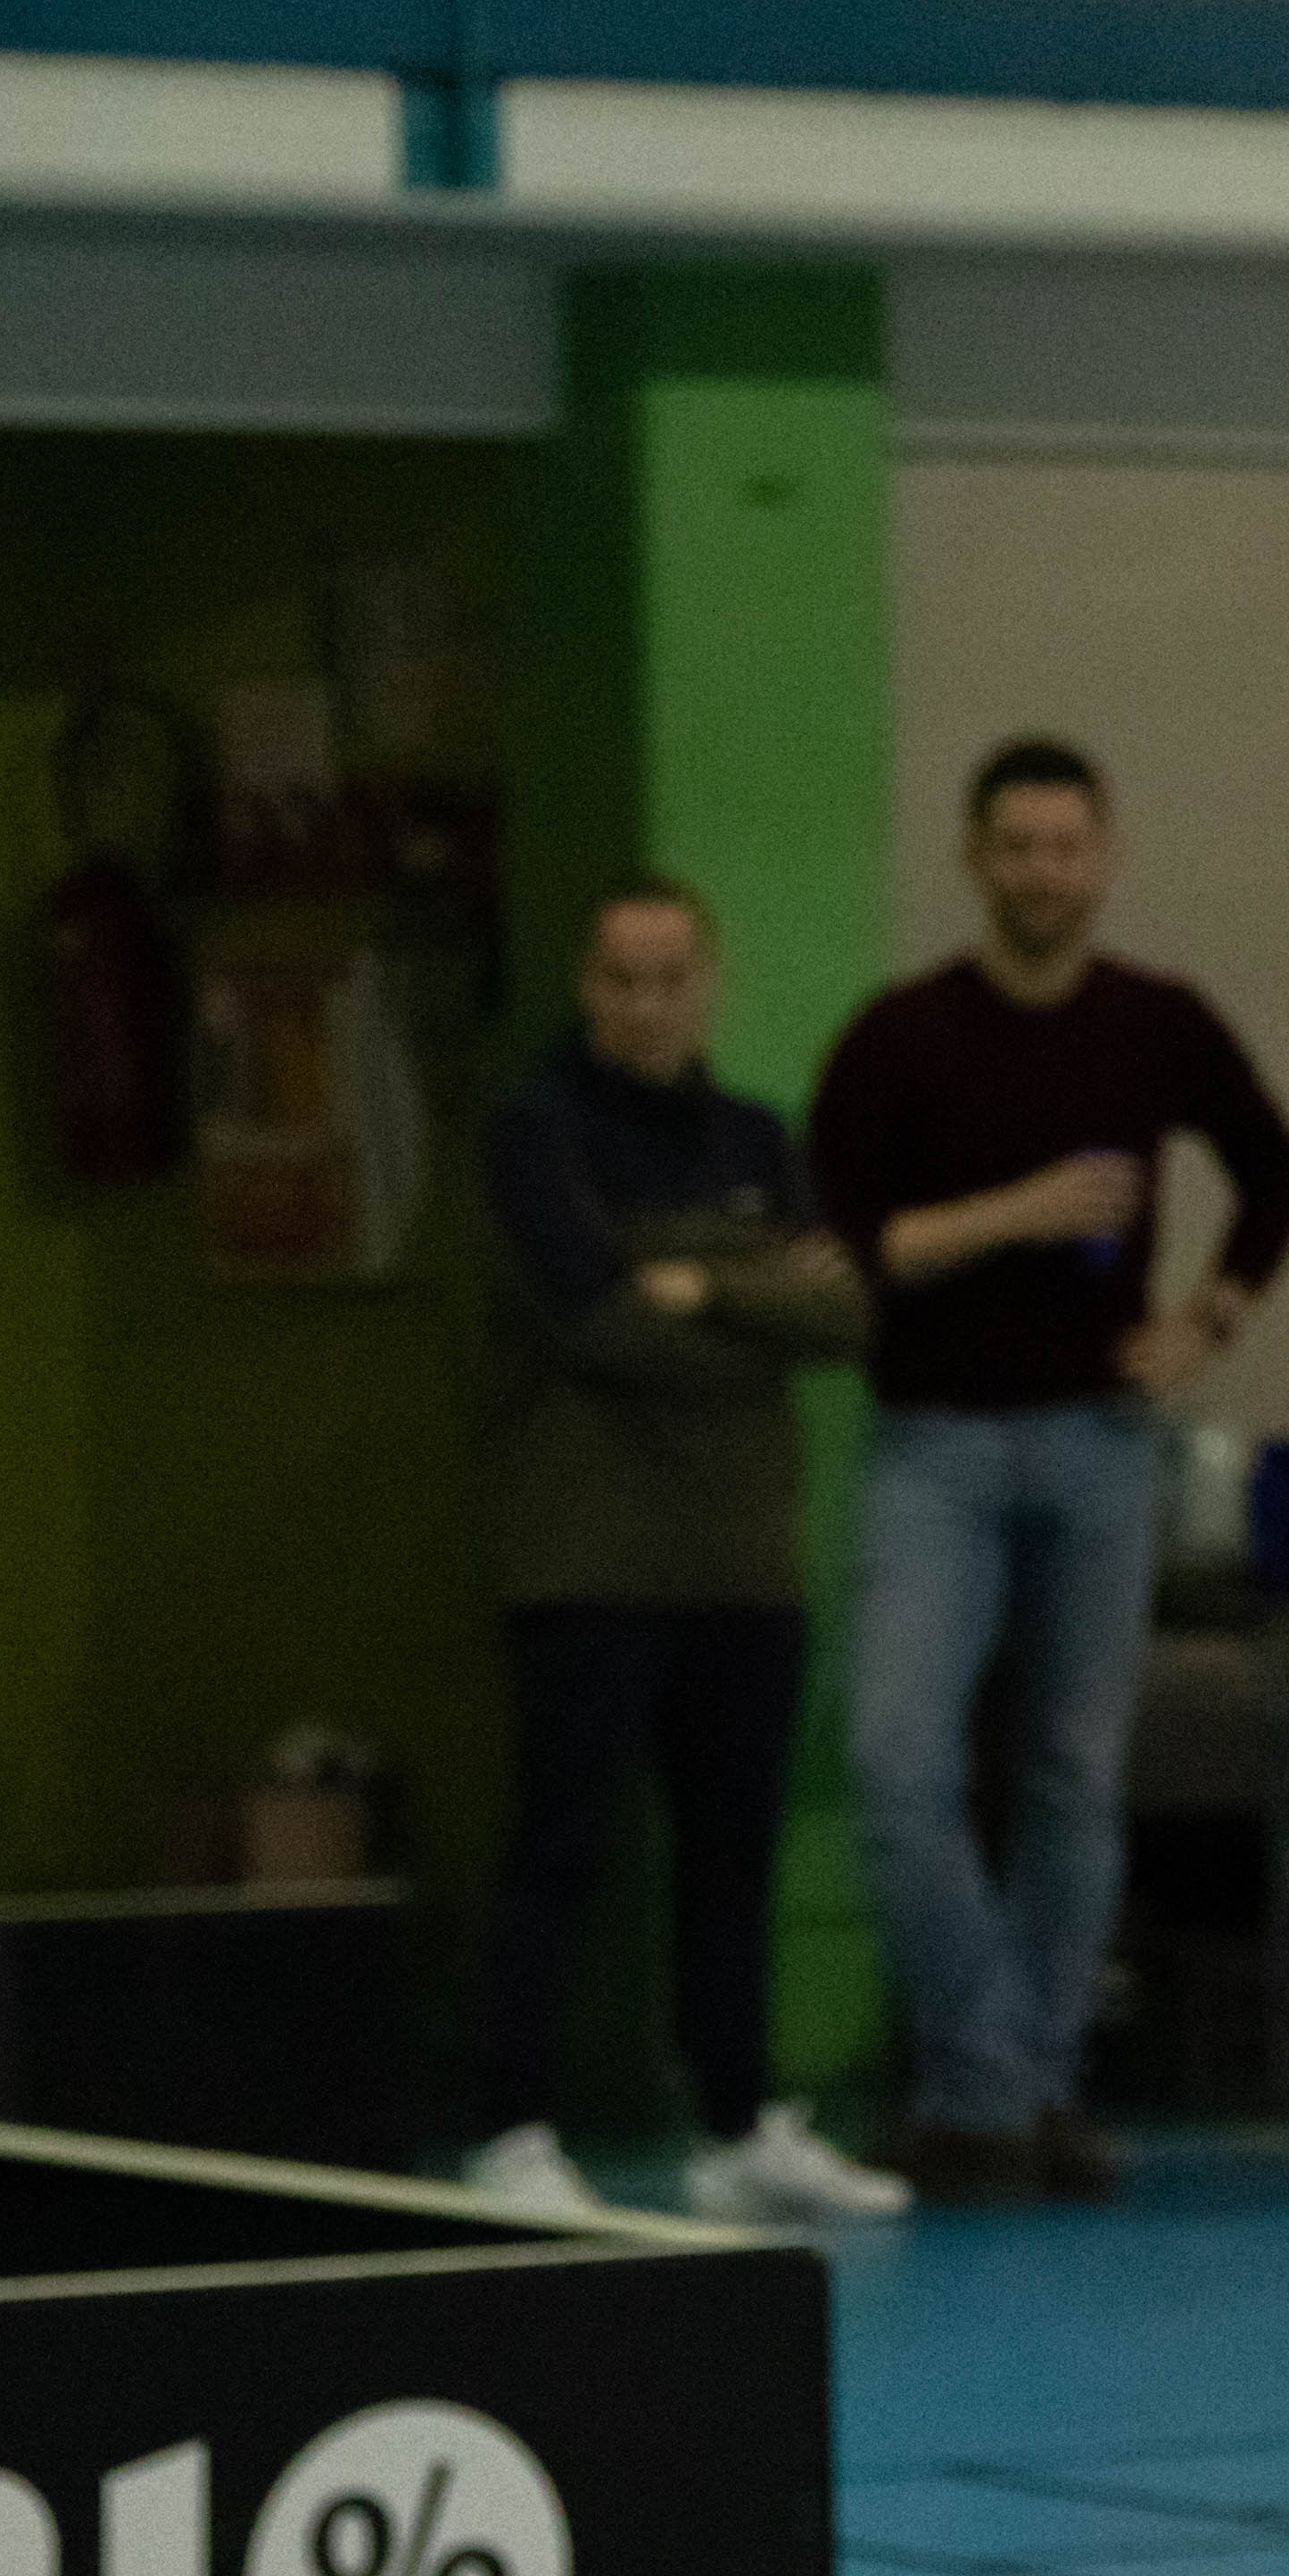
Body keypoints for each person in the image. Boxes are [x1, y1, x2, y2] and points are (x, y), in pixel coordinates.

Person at [810, 739, 1289, 2200]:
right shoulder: (901, 1038)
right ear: (975, 858)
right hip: (935, 1444)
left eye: (1064, 846)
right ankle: (995, 2078)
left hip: (1100, 1439)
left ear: (1103, 858)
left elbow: (1276, 1172)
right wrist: (1019, 1212)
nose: (1041, 871)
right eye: (1016, 846)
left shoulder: (1156, 1025)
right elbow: (849, 1246)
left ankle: (1018, 2094)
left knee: (1074, 1776)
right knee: (897, 1760)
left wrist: (1208, 1318)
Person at [466, 878, 907, 2225]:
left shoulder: (758, 1138)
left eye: (670, 978)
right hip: (587, 1560)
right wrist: (757, 1308)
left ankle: (738, 2125)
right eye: (621, 979)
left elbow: (846, 1320)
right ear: (584, 985)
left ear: (707, 983)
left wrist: (703, 1283)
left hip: (743, 1566)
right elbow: (595, 1319)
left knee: (735, 1855)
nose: (647, 1005)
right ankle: (511, 2131)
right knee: (565, 1846)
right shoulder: (536, 1136)